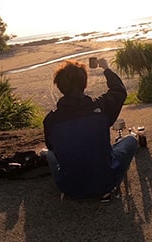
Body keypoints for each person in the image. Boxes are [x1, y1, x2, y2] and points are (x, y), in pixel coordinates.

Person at [43, 58, 138, 200]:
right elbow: (119, 91)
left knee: (48, 153)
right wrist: (106, 68)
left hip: (69, 187)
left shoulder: (50, 120)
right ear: (85, 83)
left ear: (60, 86)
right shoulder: (101, 107)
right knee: (131, 139)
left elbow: (52, 146)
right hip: (105, 182)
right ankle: (109, 183)